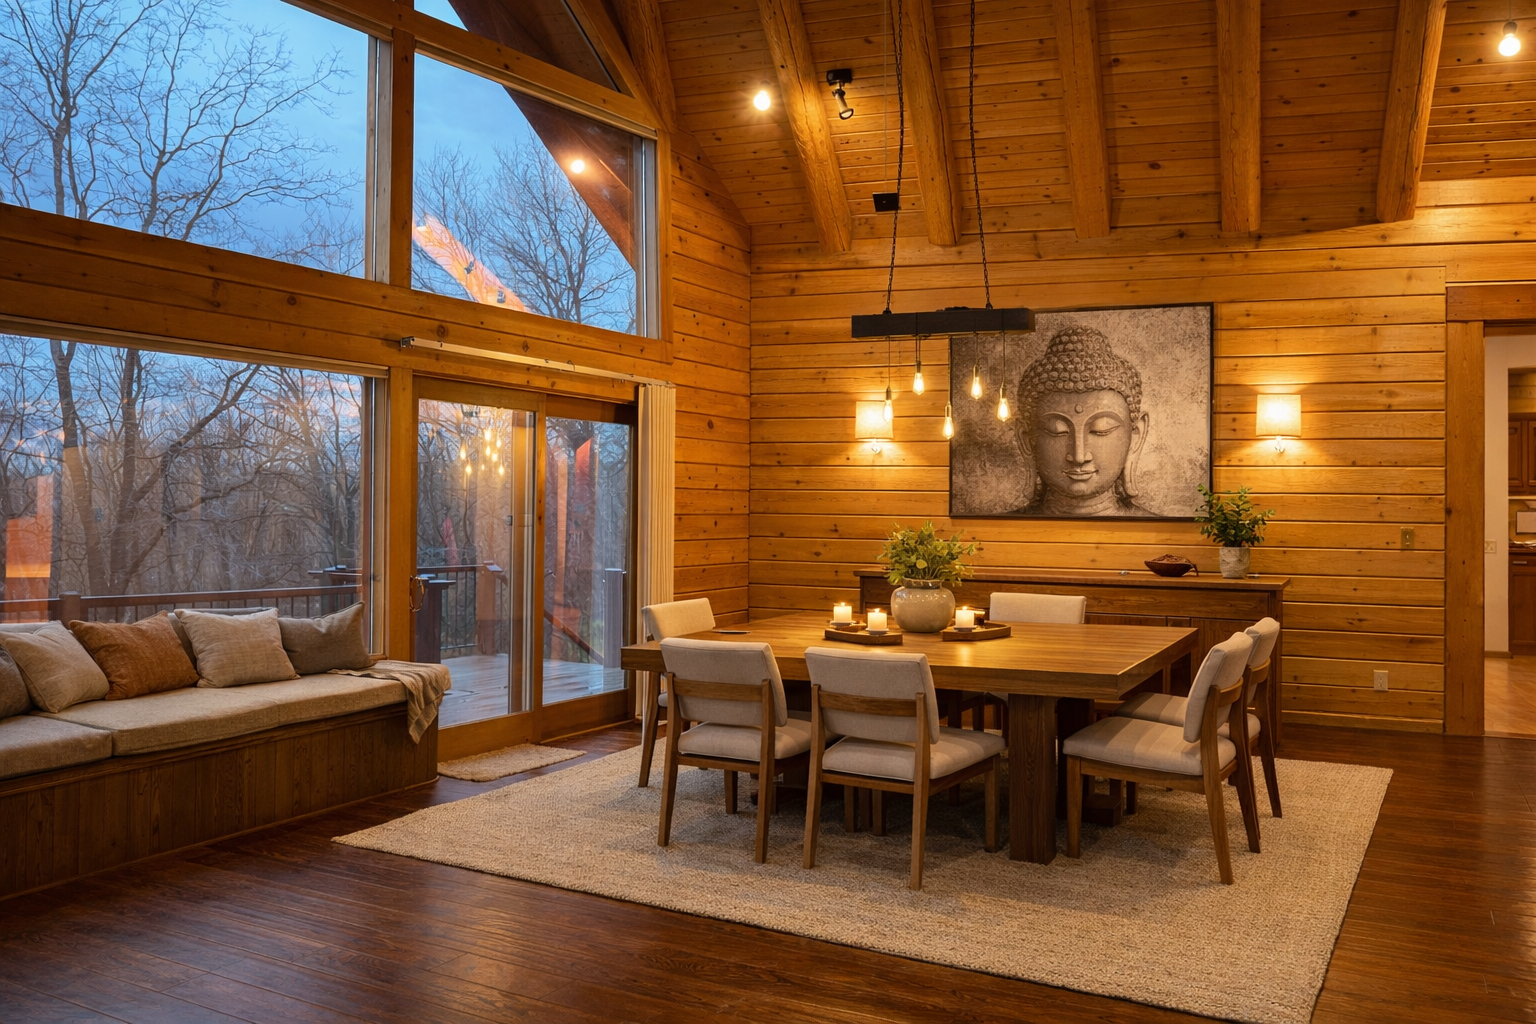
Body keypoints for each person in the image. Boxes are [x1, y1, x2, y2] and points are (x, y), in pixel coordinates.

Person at [1007, 325, 1157, 517]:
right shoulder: (993, 531)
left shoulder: (1163, 534)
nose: (1079, 456)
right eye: (1057, 431)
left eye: (1101, 429)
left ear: (1135, 436)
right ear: (1027, 439)